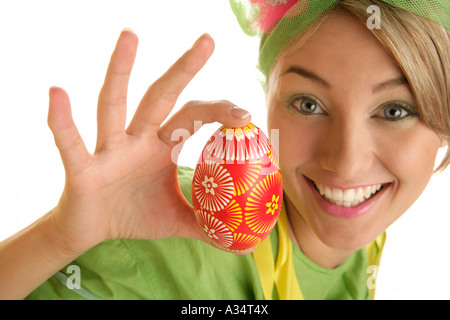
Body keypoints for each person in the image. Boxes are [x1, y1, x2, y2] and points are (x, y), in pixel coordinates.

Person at [0, 0, 448, 300]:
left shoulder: (370, 242)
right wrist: (61, 237)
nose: (347, 163)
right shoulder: (158, 232)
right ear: (266, 97)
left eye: (394, 111)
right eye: (308, 104)